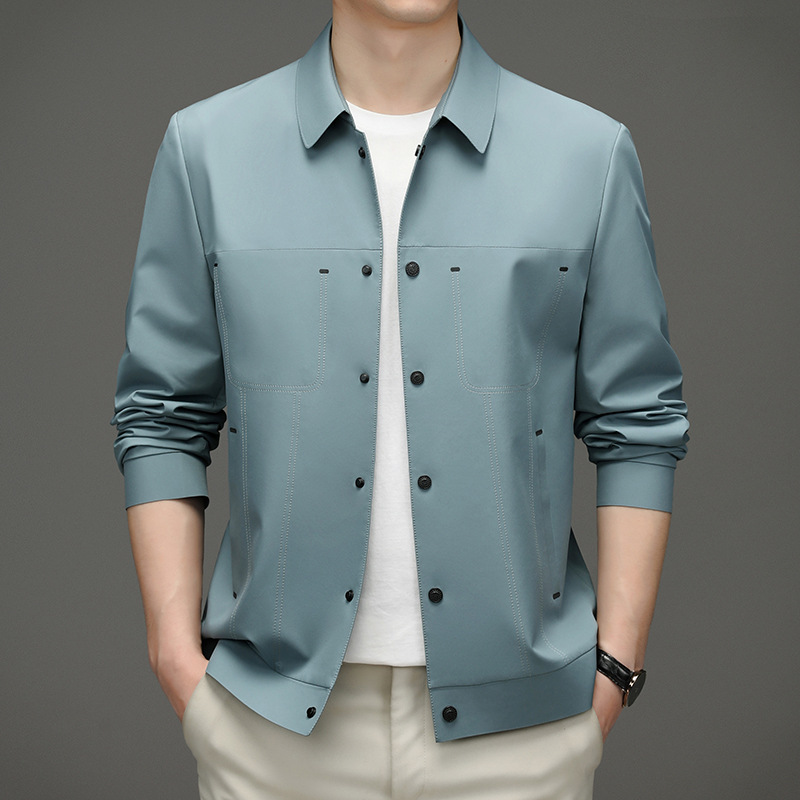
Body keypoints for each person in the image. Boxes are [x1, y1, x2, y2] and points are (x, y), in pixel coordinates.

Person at [110, 1, 689, 797]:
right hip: (268, 728)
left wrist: (615, 668)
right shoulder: (206, 149)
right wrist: (176, 659)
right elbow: (161, 412)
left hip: (522, 734)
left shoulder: (587, 154)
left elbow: (637, 422)